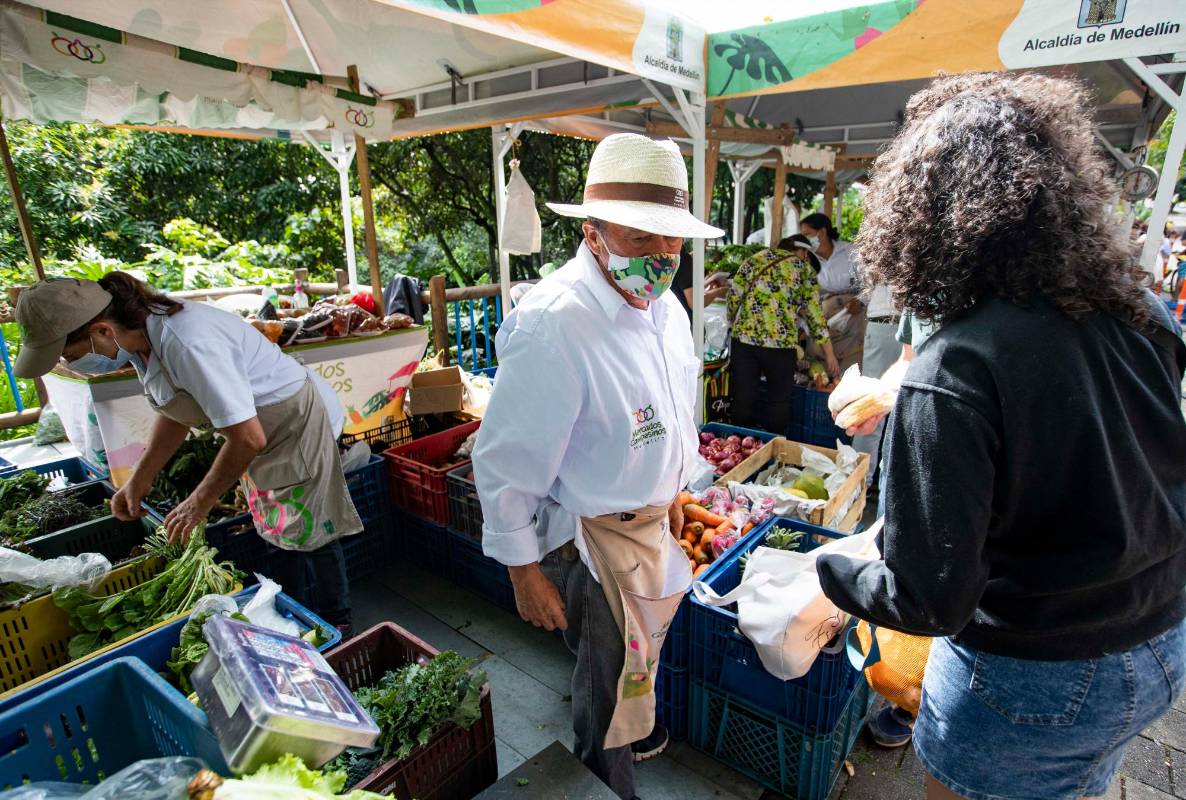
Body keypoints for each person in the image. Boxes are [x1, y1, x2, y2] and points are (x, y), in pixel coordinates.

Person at [820, 72, 1186, 800]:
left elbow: (929, 601)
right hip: (1162, 641)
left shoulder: (956, 366)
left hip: (1037, 673)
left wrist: (827, 570)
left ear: (922, 217)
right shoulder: (1143, 311)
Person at [471, 133, 724, 800]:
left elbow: (674, 405)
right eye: (642, 239)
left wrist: (674, 486)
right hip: (590, 537)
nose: (662, 258)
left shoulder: (667, 307)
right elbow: (503, 460)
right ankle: (607, 783)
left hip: (648, 521)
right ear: (592, 232)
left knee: (626, 663)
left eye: (672, 242)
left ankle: (626, 730)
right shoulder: (555, 323)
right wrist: (523, 570)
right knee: (607, 689)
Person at [13, 274, 362, 632]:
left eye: (72, 355)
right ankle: (296, 609)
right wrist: (138, 481)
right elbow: (174, 411)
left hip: (290, 425)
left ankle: (339, 624)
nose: (71, 366)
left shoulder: (188, 341)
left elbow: (246, 439)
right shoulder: (140, 342)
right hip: (255, 430)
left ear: (102, 331)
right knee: (278, 528)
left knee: (312, 531)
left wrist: (199, 503)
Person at [727, 237, 839, 434]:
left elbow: (734, 296)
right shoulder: (804, 270)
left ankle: (738, 447)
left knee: (743, 397)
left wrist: (731, 321)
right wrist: (829, 355)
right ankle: (773, 450)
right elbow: (816, 318)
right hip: (780, 346)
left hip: (744, 341)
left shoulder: (755, 259)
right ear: (802, 252)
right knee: (778, 401)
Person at [800, 212, 865, 370]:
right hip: (823, 318)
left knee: (850, 365)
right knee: (822, 364)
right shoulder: (806, 259)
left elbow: (870, 282)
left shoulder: (850, 251)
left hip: (854, 315)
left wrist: (862, 300)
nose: (805, 240)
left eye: (807, 234)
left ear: (822, 232)